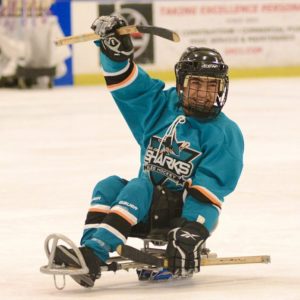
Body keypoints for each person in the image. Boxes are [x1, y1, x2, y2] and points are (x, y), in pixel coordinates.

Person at [54, 15, 244, 287]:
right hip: (142, 209)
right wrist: (115, 52)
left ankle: (94, 254)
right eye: (197, 84)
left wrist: (191, 231)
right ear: (182, 83)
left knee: (139, 187)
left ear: (221, 88)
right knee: (107, 185)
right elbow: (129, 87)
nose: (204, 93)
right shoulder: (162, 106)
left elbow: (208, 194)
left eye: (211, 85)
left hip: (178, 218)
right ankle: (86, 254)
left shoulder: (224, 133)